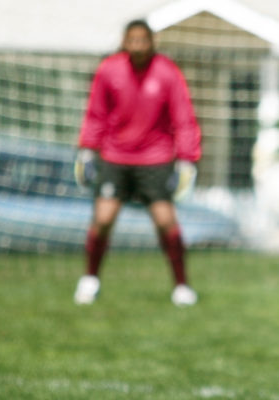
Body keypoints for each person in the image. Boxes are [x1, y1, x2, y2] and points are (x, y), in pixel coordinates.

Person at [73, 19, 201, 306]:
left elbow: (184, 118)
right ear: (125, 41)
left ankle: (181, 286)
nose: (139, 46)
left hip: (155, 159)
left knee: (166, 221)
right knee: (103, 218)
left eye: (144, 40)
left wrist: (187, 159)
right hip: (114, 157)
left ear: (152, 41)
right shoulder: (109, 70)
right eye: (133, 40)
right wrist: (86, 149)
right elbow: (96, 112)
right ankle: (90, 279)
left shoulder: (168, 73)